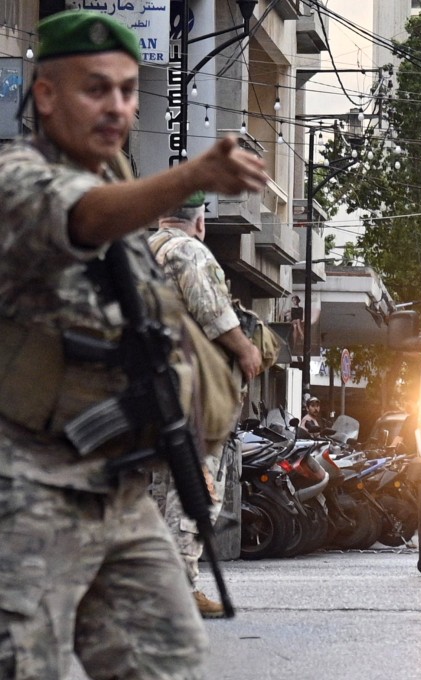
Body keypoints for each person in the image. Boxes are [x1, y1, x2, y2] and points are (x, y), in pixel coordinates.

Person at [0, 10, 266, 678]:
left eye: (126, 89)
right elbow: (82, 216)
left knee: (163, 657)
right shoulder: (18, 181)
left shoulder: (121, 198)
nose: (117, 106)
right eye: (96, 89)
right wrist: (186, 178)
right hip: (28, 488)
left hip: (118, 487)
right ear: (46, 95)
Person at [149, 190, 263, 617]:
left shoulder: (144, 249)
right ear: (199, 221)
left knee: (162, 489)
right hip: (189, 390)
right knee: (196, 486)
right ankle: (181, 587)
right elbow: (214, 313)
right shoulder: (189, 252)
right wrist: (247, 351)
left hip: (151, 388)